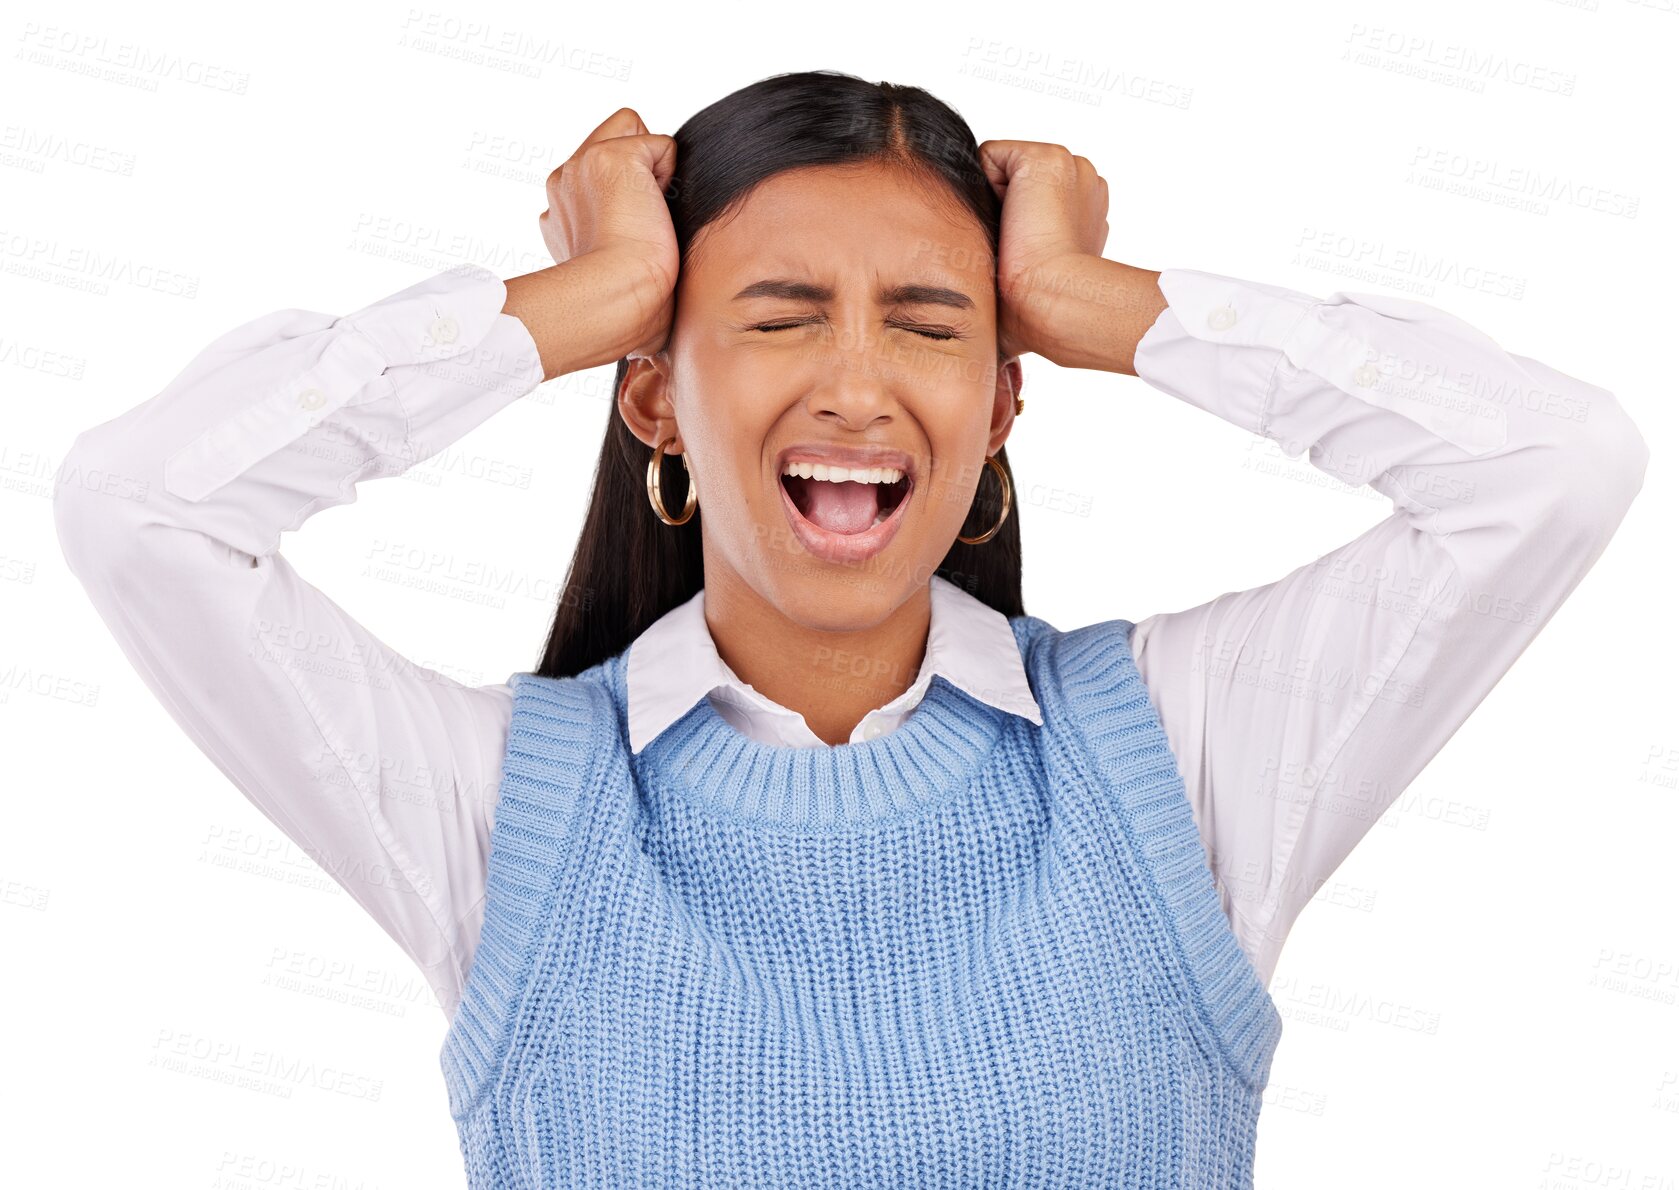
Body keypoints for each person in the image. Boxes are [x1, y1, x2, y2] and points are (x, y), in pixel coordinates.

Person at [54, 71, 1648, 1187]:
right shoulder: (502, 810)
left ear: (1006, 394)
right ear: (654, 393)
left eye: (933, 324)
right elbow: (142, 507)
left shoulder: (1179, 752)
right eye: (780, 313)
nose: (860, 384)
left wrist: (1112, 304)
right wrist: (578, 297)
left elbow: (1551, 468)